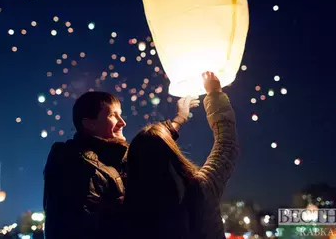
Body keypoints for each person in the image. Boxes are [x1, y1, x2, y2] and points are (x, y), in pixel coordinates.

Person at [43, 91, 199, 239]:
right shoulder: (76, 166)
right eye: (112, 115)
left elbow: (149, 147)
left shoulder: (111, 158)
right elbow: (82, 226)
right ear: (89, 124)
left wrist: (179, 119)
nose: (122, 122)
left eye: (120, 114)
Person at [124, 72, 239, 239]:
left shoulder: (126, 211)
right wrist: (215, 94)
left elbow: (148, 149)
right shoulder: (200, 190)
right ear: (172, 153)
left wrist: (178, 119)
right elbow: (227, 144)